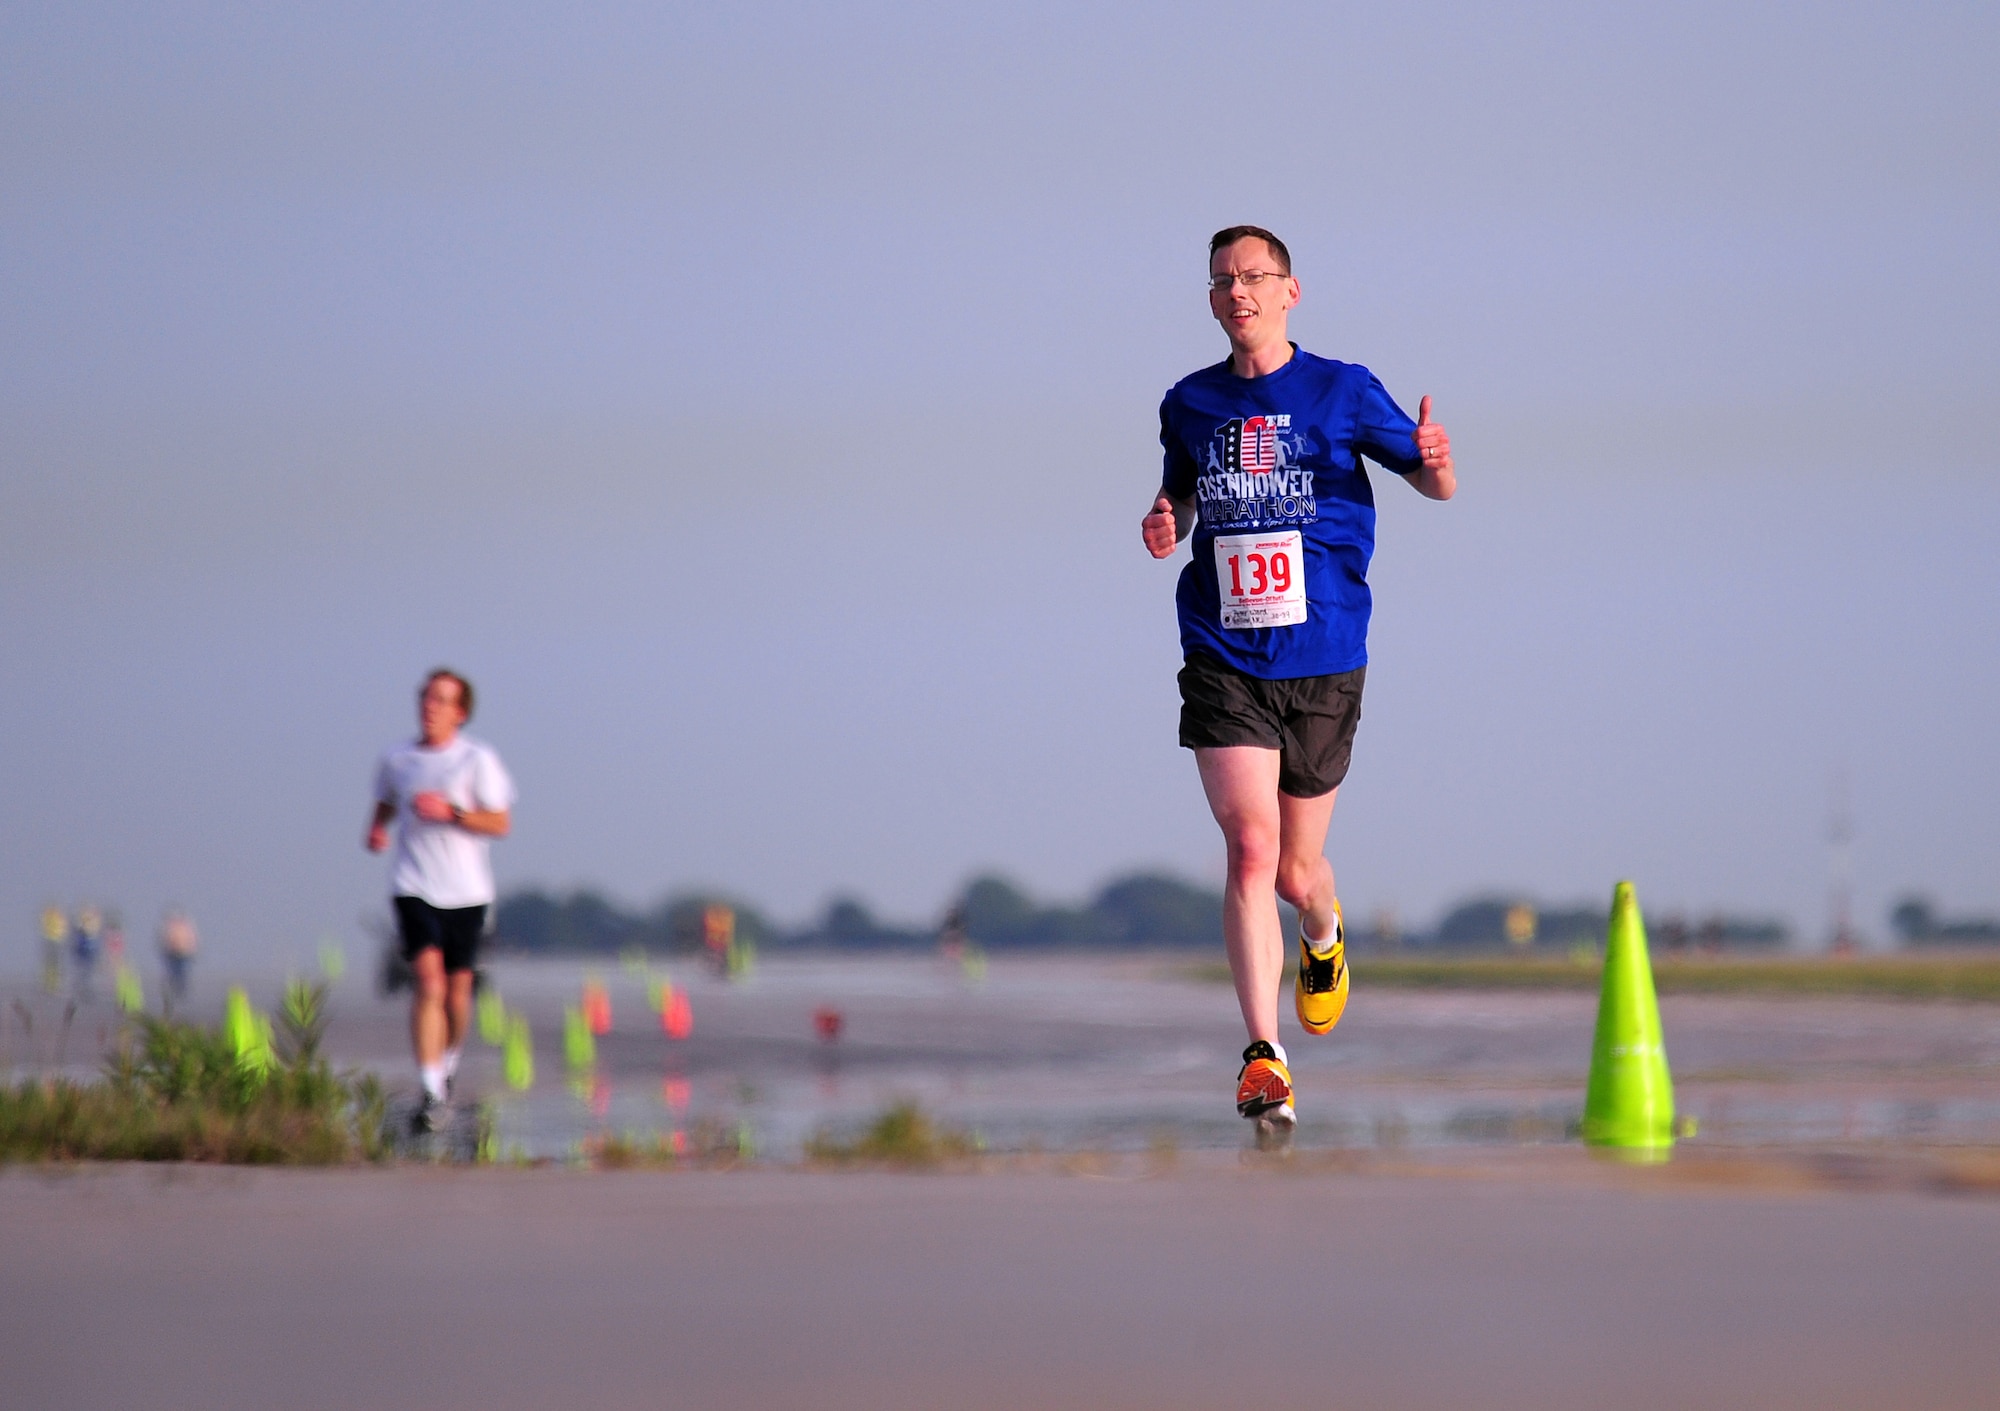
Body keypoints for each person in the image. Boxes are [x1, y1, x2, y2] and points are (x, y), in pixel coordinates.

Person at [1142, 226, 1455, 1133]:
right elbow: (1184, 492)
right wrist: (1168, 517)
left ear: (1290, 291)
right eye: (1223, 280)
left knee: (1294, 869)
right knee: (1247, 849)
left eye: (1254, 276)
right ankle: (1263, 1058)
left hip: (1323, 654)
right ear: (1211, 302)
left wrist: (1436, 456)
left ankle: (1323, 929)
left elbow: (1432, 482)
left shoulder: (1343, 388)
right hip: (1223, 649)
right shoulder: (1188, 403)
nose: (1238, 291)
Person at [366, 669, 515, 1132]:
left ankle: (446, 1066)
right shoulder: (398, 759)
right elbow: (387, 799)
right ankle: (430, 1091)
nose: (430, 707)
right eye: (426, 698)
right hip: (413, 886)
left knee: (458, 990)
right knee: (428, 983)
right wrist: (377, 827)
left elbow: (499, 823)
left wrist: (452, 813)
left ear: (460, 713)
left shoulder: (477, 760)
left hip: (467, 891)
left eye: (441, 700)